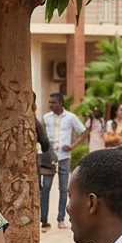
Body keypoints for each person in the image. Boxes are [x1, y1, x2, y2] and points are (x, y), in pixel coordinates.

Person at [41, 93, 88, 231]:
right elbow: (42, 135)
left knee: (63, 189)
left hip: (64, 156)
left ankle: (61, 219)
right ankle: (44, 220)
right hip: (49, 157)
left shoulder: (71, 117)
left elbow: (84, 132)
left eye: (53, 102)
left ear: (61, 103)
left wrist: (72, 146)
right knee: (46, 188)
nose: (50, 105)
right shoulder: (46, 118)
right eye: (49, 102)